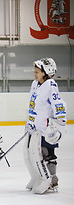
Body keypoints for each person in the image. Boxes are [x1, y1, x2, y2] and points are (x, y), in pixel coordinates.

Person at [24, 57, 66, 194]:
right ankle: (37, 177)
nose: (34, 74)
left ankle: (52, 181)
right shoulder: (35, 84)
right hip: (34, 127)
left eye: (37, 72)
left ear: (45, 72)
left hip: (45, 128)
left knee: (46, 154)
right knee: (31, 154)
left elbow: (58, 105)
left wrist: (58, 124)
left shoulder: (51, 86)